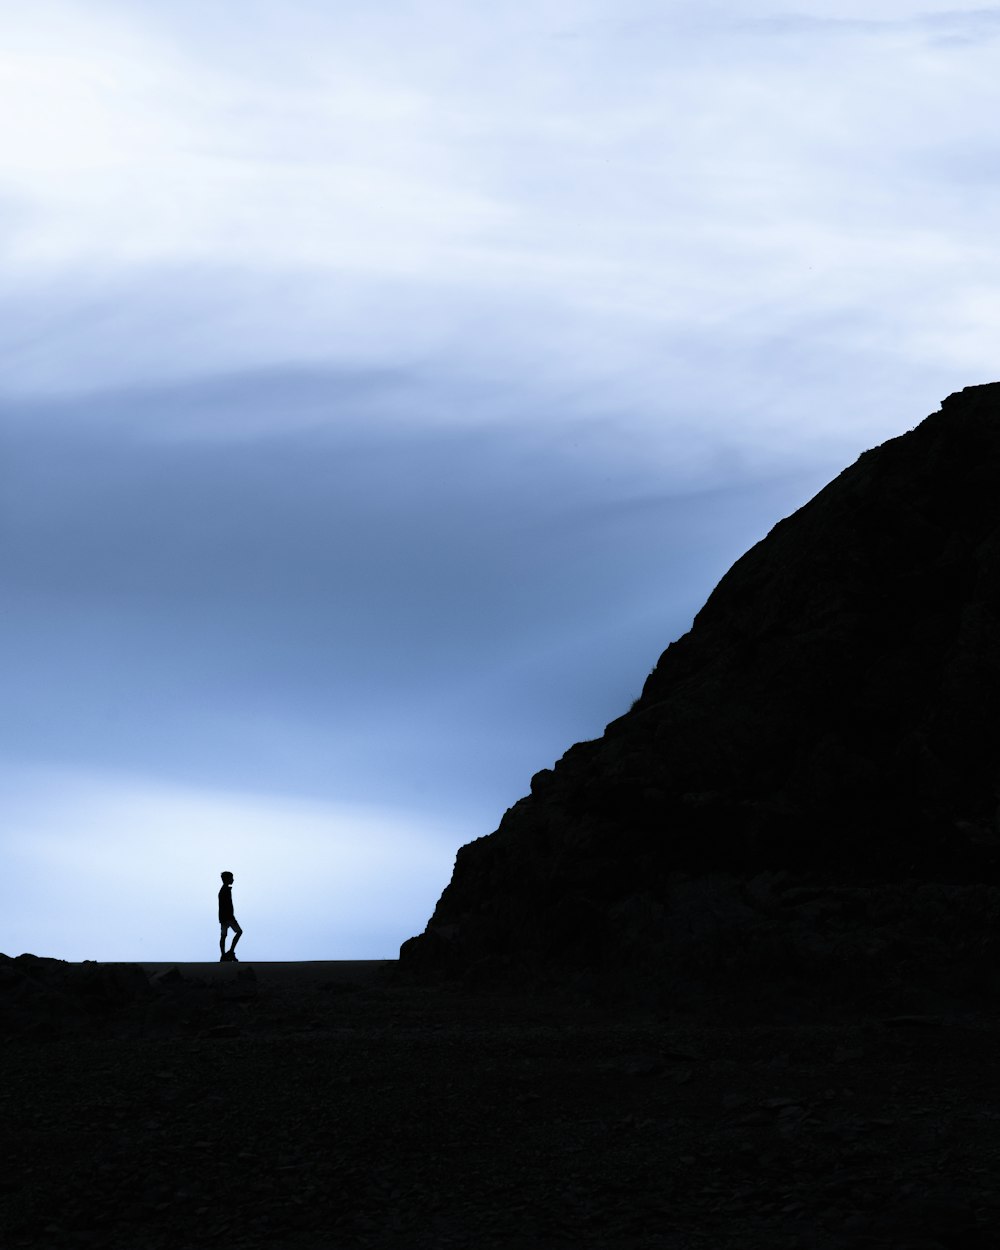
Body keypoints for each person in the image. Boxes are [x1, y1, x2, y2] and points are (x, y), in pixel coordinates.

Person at [218, 871, 243, 962]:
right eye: (231, 878)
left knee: (223, 936)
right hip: (228, 917)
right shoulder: (225, 891)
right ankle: (230, 952)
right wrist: (229, 917)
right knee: (238, 932)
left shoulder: (224, 890)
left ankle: (224, 954)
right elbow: (226, 906)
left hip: (224, 917)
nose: (233, 880)